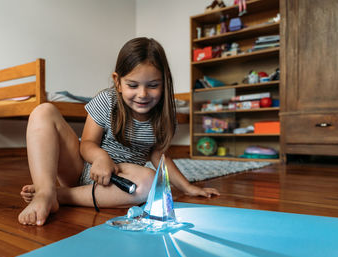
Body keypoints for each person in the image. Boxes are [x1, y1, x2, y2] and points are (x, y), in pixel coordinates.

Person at [18, 37, 220, 226]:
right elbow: (87, 143)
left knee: (151, 182)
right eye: (133, 85)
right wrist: (100, 158)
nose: (142, 94)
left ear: (164, 82)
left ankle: (60, 195)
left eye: (153, 86)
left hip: (119, 182)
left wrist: (188, 188)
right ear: (118, 82)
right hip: (83, 168)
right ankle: (45, 192)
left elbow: (160, 156)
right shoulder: (106, 101)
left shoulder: (164, 117)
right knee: (43, 111)